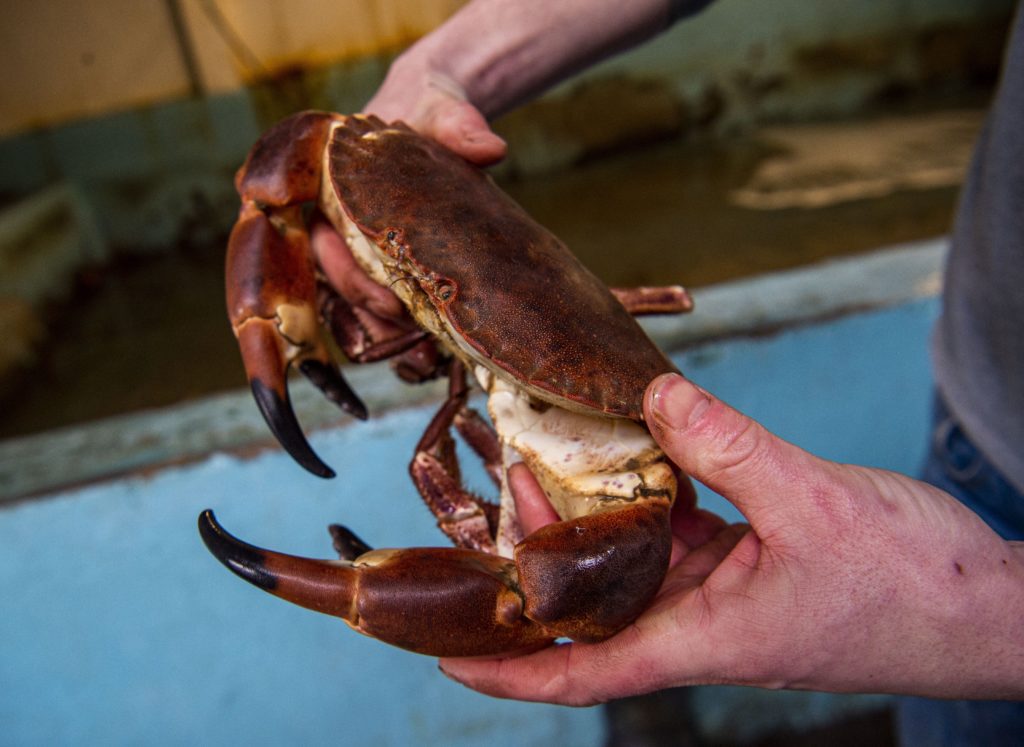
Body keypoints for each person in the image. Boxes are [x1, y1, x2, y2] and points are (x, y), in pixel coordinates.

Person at [312, 0, 1024, 739]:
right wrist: (448, 64)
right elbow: (296, 157)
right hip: (985, 427)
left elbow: (532, 593)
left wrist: (975, 615)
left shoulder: (628, 486)